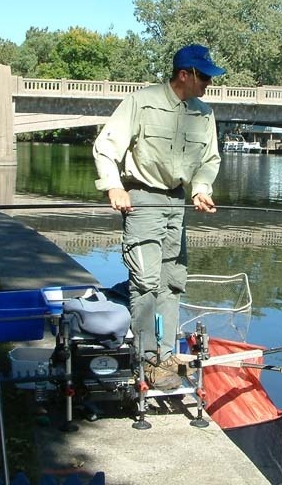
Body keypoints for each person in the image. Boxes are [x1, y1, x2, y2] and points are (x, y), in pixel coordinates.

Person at [92, 44, 224, 390]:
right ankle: (146, 357)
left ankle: (166, 355)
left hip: (176, 204)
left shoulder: (204, 114)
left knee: (172, 282)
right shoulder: (142, 101)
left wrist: (201, 188)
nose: (209, 82)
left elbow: (209, 160)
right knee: (145, 282)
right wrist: (113, 187)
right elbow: (106, 146)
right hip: (143, 199)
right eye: (204, 76)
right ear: (185, 74)